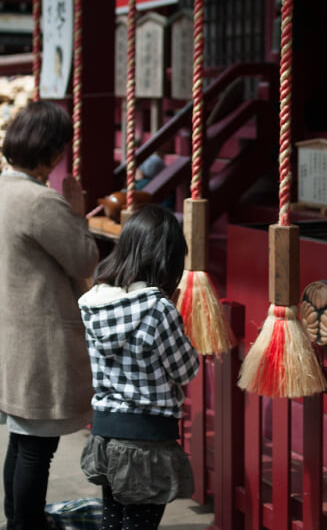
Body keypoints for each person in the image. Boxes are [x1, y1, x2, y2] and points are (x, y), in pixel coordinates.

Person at [0, 100, 99, 530]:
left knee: (22, 442)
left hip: (12, 336)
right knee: (37, 448)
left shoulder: (4, 190)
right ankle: (26, 525)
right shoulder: (41, 202)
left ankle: (16, 519)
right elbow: (85, 260)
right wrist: (77, 214)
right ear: (53, 151)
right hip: (39, 341)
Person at [79, 204, 199, 530]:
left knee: (113, 523)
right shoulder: (158, 308)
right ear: (167, 261)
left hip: (105, 433)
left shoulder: (95, 302)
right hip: (146, 438)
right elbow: (185, 370)